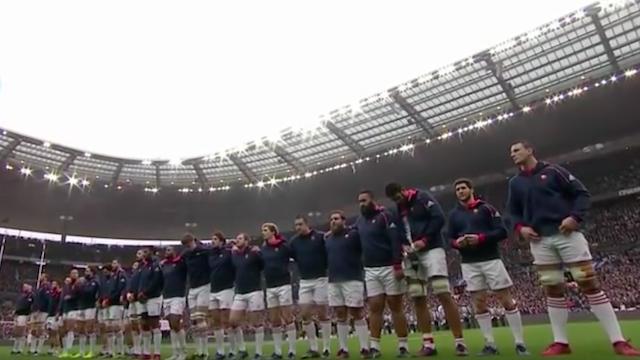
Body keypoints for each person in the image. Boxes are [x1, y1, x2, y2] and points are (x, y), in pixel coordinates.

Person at [506, 140, 640, 356]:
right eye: (511, 152)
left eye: (516, 150)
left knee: (589, 284)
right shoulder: (515, 183)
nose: (512, 154)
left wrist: (575, 217)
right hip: (540, 241)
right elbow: (512, 213)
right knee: (553, 290)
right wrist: (520, 228)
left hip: (567, 235)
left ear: (530, 150)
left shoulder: (554, 172)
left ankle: (618, 340)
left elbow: (582, 194)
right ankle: (561, 342)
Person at [385, 182, 468, 356]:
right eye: (394, 199)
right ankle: (428, 343)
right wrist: (401, 252)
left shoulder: (422, 197)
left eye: (398, 197)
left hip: (431, 248)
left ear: (403, 190)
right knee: (417, 297)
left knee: (442, 292)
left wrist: (425, 239)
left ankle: (460, 342)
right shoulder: (397, 210)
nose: (397, 201)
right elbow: (398, 234)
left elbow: (439, 218)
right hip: (411, 254)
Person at [448, 178, 528, 356]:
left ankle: (520, 342)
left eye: (463, 188)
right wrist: (457, 243)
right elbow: (450, 239)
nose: (460, 191)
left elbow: (502, 232)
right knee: (478, 303)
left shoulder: (487, 209)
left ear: (471, 189)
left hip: (491, 259)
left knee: (506, 300)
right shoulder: (454, 215)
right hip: (469, 262)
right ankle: (490, 343)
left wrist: (480, 238)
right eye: (457, 189)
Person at [354, 190, 410, 358]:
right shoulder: (359, 221)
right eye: (359, 201)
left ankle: (403, 345)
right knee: (375, 307)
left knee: (395, 306)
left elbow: (395, 240)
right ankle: (375, 347)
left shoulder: (386, 215)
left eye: (364, 200)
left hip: (389, 266)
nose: (361, 204)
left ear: (372, 200)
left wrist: (397, 264)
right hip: (371, 269)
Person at [324, 210, 369, 359]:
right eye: (331, 219)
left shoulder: (354, 235)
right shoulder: (328, 239)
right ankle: (343, 349)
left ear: (344, 220)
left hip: (352, 278)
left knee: (356, 313)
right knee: (340, 315)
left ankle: (365, 348)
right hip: (333, 280)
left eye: (336, 218)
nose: (333, 221)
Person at [290, 215, 331, 359]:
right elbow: (294, 258)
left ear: (307, 224)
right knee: (305, 314)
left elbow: (328, 253)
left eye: (300, 224)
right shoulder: (294, 242)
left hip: (321, 279)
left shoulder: (320, 237)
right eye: (296, 225)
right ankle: (313, 348)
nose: (298, 227)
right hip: (305, 281)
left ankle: (326, 347)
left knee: (322, 314)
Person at [261, 223, 297, 359]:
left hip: (284, 285)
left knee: (288, 317)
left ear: (273, 232)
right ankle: (277, 351)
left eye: (265, 230)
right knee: (274, 320)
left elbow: (294, 255)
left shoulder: (283, 246)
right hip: (270, 287)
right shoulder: (263, 248)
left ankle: (292, 350)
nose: (263, 232)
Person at [229, 233, 265, 360]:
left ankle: (258, 352)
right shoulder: (234, 255)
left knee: (257, 322)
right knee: (233, 321)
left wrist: (259, 252)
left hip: (254, 290)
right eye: (237, 238)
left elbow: (262, 265)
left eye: (240, 239)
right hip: (240, 292)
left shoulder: (254, 253)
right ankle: (242, 349)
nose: (237, 241)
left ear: (246, 241)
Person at [208, 232, 242, 360]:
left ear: (222, 241)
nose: (213, 241)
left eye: (215, 239)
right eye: (212, 239)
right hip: (213, 290)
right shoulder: (211, 254)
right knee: (216, 322)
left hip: (226, 289)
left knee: (227, 321)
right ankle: (220, 351)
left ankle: (233, 349)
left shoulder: (229, 252)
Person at [181, 233, 212, 358]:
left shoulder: (204, 251)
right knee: (193, 321)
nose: (188, 246)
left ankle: (205, 351)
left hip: (204, 286)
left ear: (193, 240)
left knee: (200, 319)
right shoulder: (187, 254)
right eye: (186, 245)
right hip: (192, 288)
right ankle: (198, 350)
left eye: (189, 243)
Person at [161, 245, 188, 360]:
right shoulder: (164, 265)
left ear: (175, 252)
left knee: (175, 322)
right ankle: (175, 352)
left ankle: (183, 351)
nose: (167, 252)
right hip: (166, 296)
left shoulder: (180, 263)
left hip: (178, 295)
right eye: (166, 250)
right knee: (172, 326)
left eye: (169, 250)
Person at [138, 246, 164, 360]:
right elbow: (140, 282)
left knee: (154, 324)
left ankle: (157, 353)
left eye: (146, 252)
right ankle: (147, 353)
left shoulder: (156, 265)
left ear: (152, 253)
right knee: (144, 325)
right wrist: (139, 293)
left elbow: (157, 281)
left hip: (154, 297)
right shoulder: (143, 266)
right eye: (143, 252)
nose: (144, 254)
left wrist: (146, 292)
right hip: (143, 298)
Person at [77, 267, 100, 358]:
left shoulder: (95, 282)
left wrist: (81, 286)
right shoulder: (83, 282)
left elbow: (90, 292)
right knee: (81, 330)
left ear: (92, 272)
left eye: (88, 271)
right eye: (85, 271)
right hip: (82, 306)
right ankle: (81, 351)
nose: (86, 273)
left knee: (90, 328)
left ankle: (91, 351)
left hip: (91, 306)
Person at [127, 254, 143, 357]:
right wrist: (128, 294)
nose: (135, 266)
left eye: (136, 265)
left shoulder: (142, 274)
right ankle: (135, 348)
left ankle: (140, 349)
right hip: (132, 302)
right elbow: (129, 288)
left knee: (140, 325)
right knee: (133, 325)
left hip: (139, 301)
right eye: (134, 265)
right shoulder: (131, 277)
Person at [30, 273, 51, 356]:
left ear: (46, 278)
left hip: (43, 311)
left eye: (42, 276)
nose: (40, 277)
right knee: (34, 330)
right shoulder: (39, 288)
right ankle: (33, 349)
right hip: (36, 311)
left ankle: (38, 349)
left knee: (40, 330)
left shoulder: (47, 288)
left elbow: (46, 300)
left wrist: (39, 309)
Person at [12, 283, 33, 355]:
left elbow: (29, 305)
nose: (24, 288)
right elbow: (18, 305)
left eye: (26, 287)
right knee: (17, 333)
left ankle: (20, 349)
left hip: (24, 315)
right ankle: (15, 348)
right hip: (18, 315)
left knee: (21, 333)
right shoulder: (21, 296)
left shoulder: (30, 296)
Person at [46, 280, 63, 356]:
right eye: (52, 284)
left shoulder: (59, 293)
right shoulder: (51, 293)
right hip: (50, 314)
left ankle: (57, 348)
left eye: (54, 284)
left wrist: (58, 312)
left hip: (55, 314)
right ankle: (51, 347)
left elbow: (60, 303)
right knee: (50, 332)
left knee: (55, 332)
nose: (53, 285)